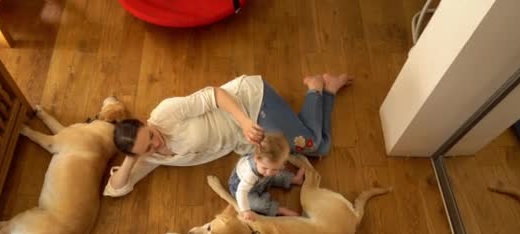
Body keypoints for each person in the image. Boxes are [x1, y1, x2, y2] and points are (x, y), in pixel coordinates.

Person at [103, 73, 352, 197]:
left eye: (150, 135)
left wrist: (244, 122)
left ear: (145, 122)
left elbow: (215, 94)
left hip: (250, 105)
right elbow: (116, 188)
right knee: (318, 147)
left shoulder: (166, 113)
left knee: (315, 146)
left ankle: (317, 88)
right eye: (147, 148)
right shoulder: (151, 156)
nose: (156, 143)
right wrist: (132, 159)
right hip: (249, 137)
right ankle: (327, 90)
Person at [229, 133, 304, 221]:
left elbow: (270, 171)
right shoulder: (250, 174)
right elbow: (241, 192)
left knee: (278, 175)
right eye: (265, 168)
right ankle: (280, 210)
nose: (268, 172)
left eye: (275, 168)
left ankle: (294, 179)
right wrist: (246, 211)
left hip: (260, 181)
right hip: (245, 190)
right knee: (254, 204)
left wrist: (273, 171)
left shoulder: (267, 168)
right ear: (256, 159)